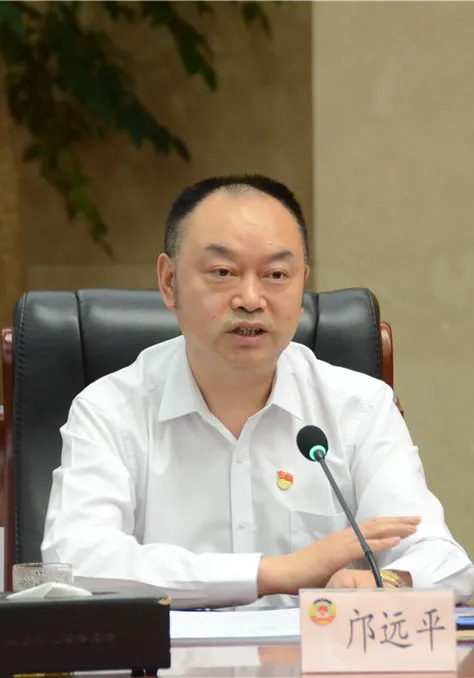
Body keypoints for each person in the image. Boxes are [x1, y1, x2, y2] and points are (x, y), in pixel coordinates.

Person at [42, 174, 474, 609]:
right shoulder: (110, 410)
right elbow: (75, 562)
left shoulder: (359, 408)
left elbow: (446, 563)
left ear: (302, 286)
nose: (250, 299)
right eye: (223, 272)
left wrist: (388, 583)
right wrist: (276, 573)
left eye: (276, 275)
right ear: (169, 281)